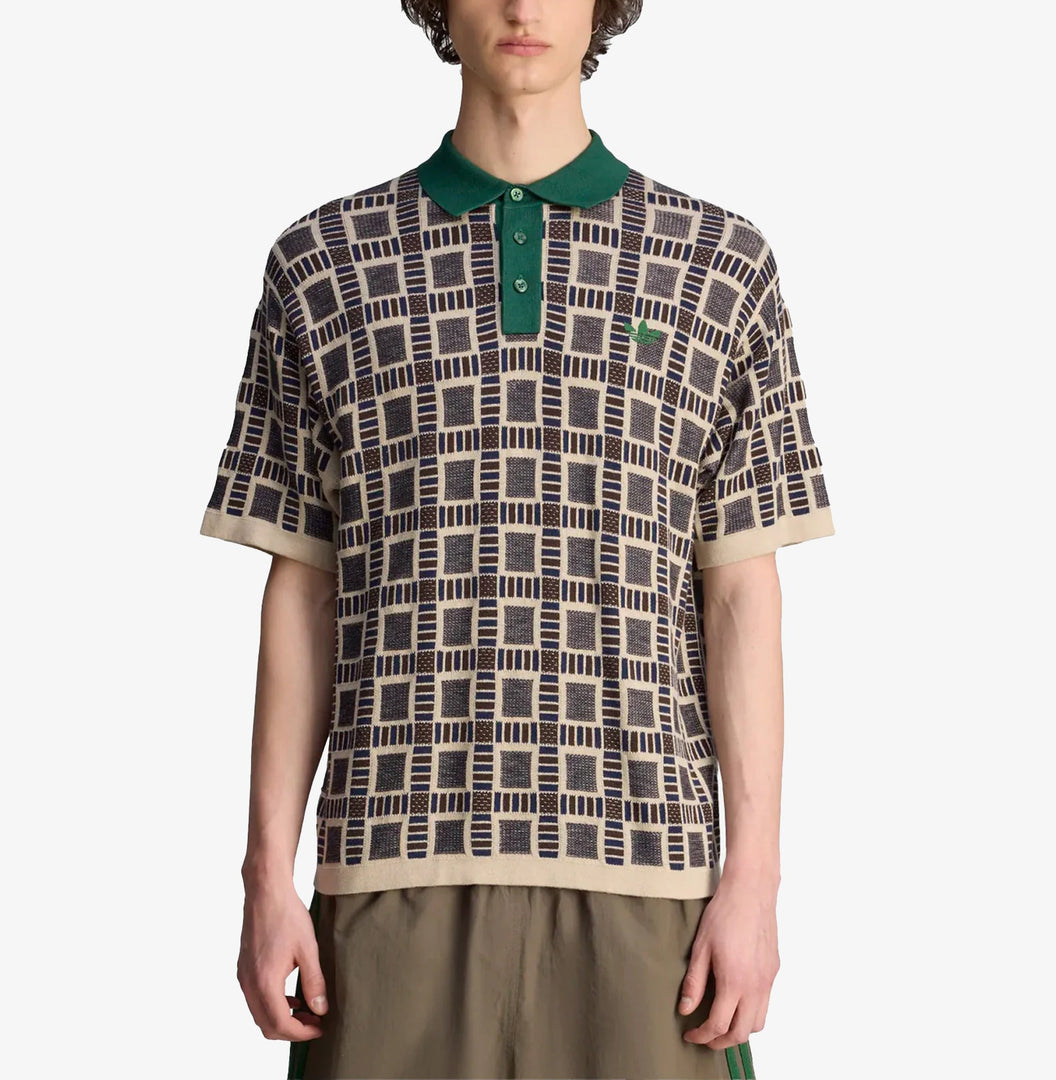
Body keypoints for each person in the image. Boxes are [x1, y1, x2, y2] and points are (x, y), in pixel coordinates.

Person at [198, 2, 835, 1077]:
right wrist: (266, 879)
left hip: (651, 879)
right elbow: (302, 590)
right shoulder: (323, 264)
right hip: (386, 871)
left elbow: (741, 593)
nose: (525, 7)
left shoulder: (720, 266)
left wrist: (755, 883)